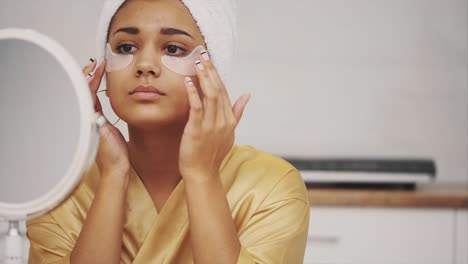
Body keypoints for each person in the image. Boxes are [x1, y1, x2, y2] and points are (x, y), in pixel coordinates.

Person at [26, 0, 310, 263]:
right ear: (103, 70)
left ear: (214, 69)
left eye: (173, 48)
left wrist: (202, 175)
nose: (145, 66)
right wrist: (114, 175)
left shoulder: (271, 186)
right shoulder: (60, 192)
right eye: (126, 47)